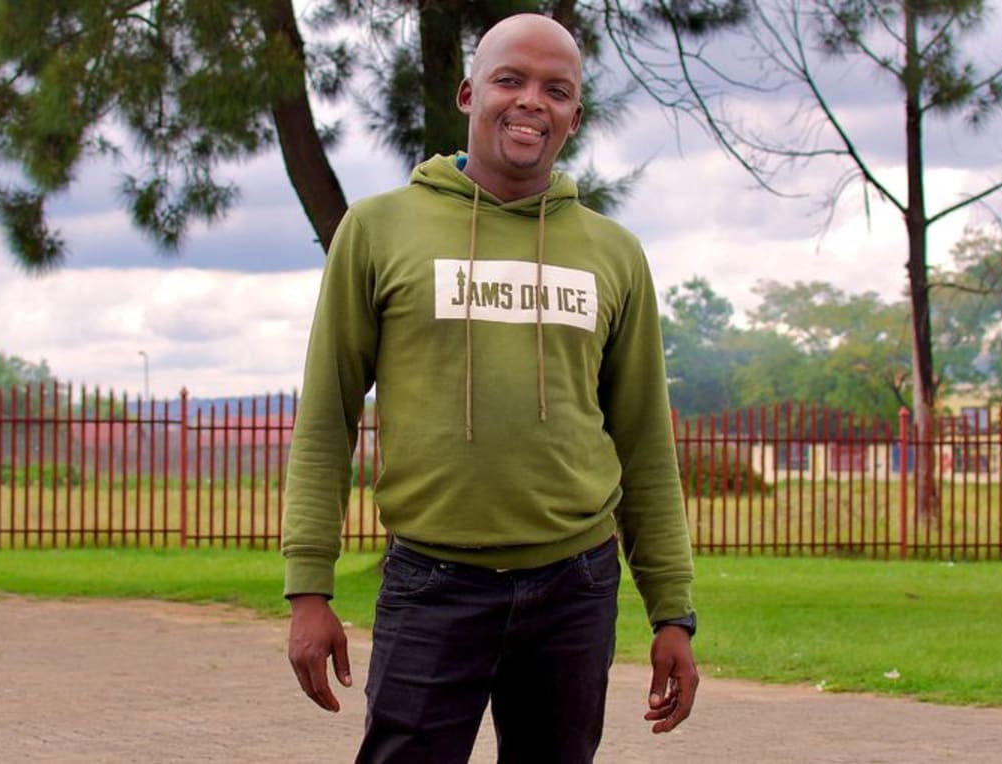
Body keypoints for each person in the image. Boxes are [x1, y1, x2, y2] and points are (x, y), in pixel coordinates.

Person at [283, 13, 698, 763]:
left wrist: (674, 612)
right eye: (511, 80)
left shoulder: (614, 254)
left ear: (575, 114)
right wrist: (308, 589)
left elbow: (642, 441)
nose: (531, 101)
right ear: (470, 93)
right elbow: (327, 417)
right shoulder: (379, 230)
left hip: (574, 589)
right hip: (433, 585)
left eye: (556, 89)